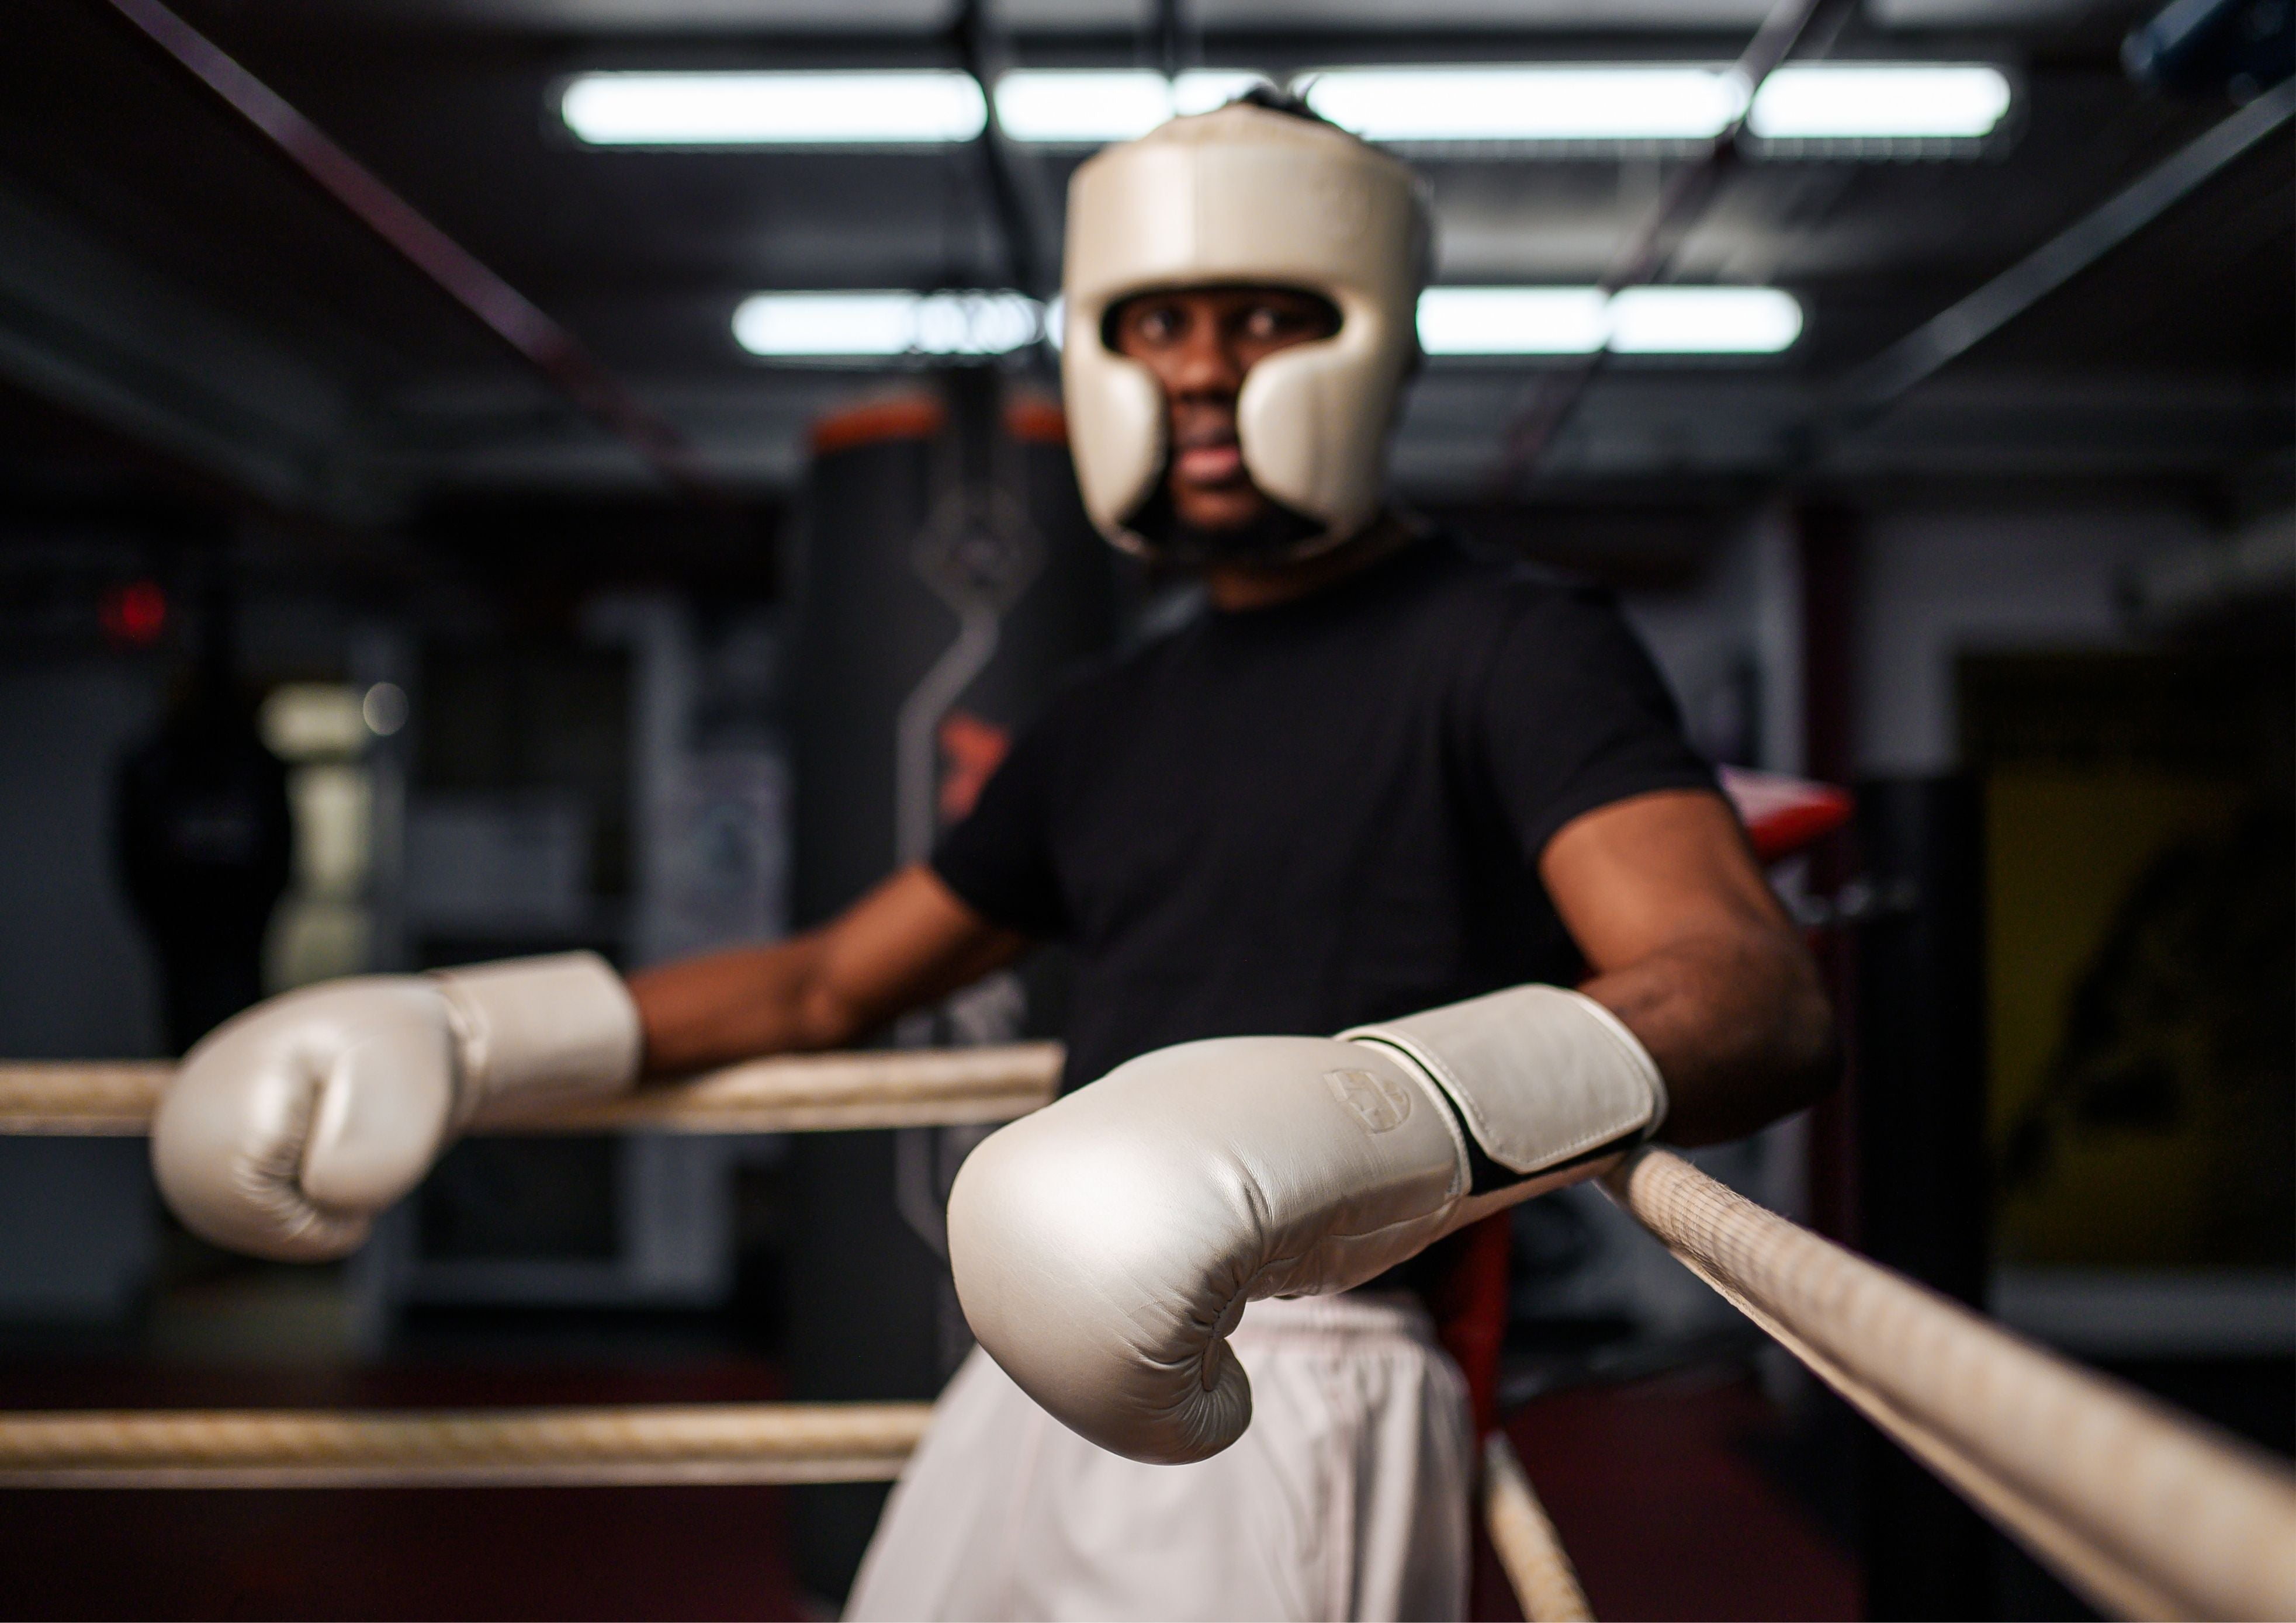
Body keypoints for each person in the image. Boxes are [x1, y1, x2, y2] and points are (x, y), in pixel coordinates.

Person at [149, 93, 1834, 1622]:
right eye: (1154, 320)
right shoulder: (1111, 713)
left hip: (1306, 1368)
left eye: (1263, 316)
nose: (1196, 367)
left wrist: (1363, 1111)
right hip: (1027, 1346)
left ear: (1373, 339)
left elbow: (1746, 991)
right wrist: (466, 1032)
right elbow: (823, 978)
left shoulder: (1509, 643)